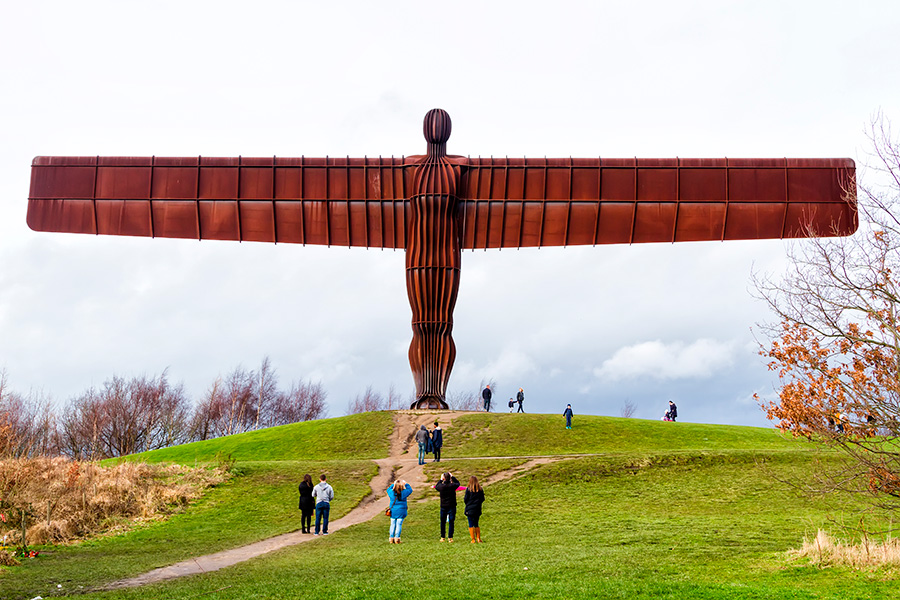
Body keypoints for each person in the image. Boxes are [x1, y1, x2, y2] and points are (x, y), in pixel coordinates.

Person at [434, 471, 461, 542]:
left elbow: (437, 486)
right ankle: (450, 537)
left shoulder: (441, 487)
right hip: (452, 505)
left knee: (443, 522)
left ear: (444, 478)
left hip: (443, 506)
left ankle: (443, 537)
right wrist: (453, 477)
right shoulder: (452, 486)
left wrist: (440, 479)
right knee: (451, 521)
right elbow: (458, 483)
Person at [386, 479, 413, 544]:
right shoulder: (404, 493)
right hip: (401, 510)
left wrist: (394, 484)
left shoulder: (391, 493)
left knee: (392, 524)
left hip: (393, 510)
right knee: (399, 524)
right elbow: (410, 490)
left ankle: (391, 538)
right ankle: (397, 538)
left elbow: (388, 489)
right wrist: (406, 484)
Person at [464, 475, 485, 543]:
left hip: (470, 508)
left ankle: (473, 539)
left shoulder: (468, 489)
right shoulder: (480, 489)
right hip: (477, 508)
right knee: (476, 523)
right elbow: (482, 499)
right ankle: (478, 538)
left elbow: (465, 499)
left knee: (470, 523)